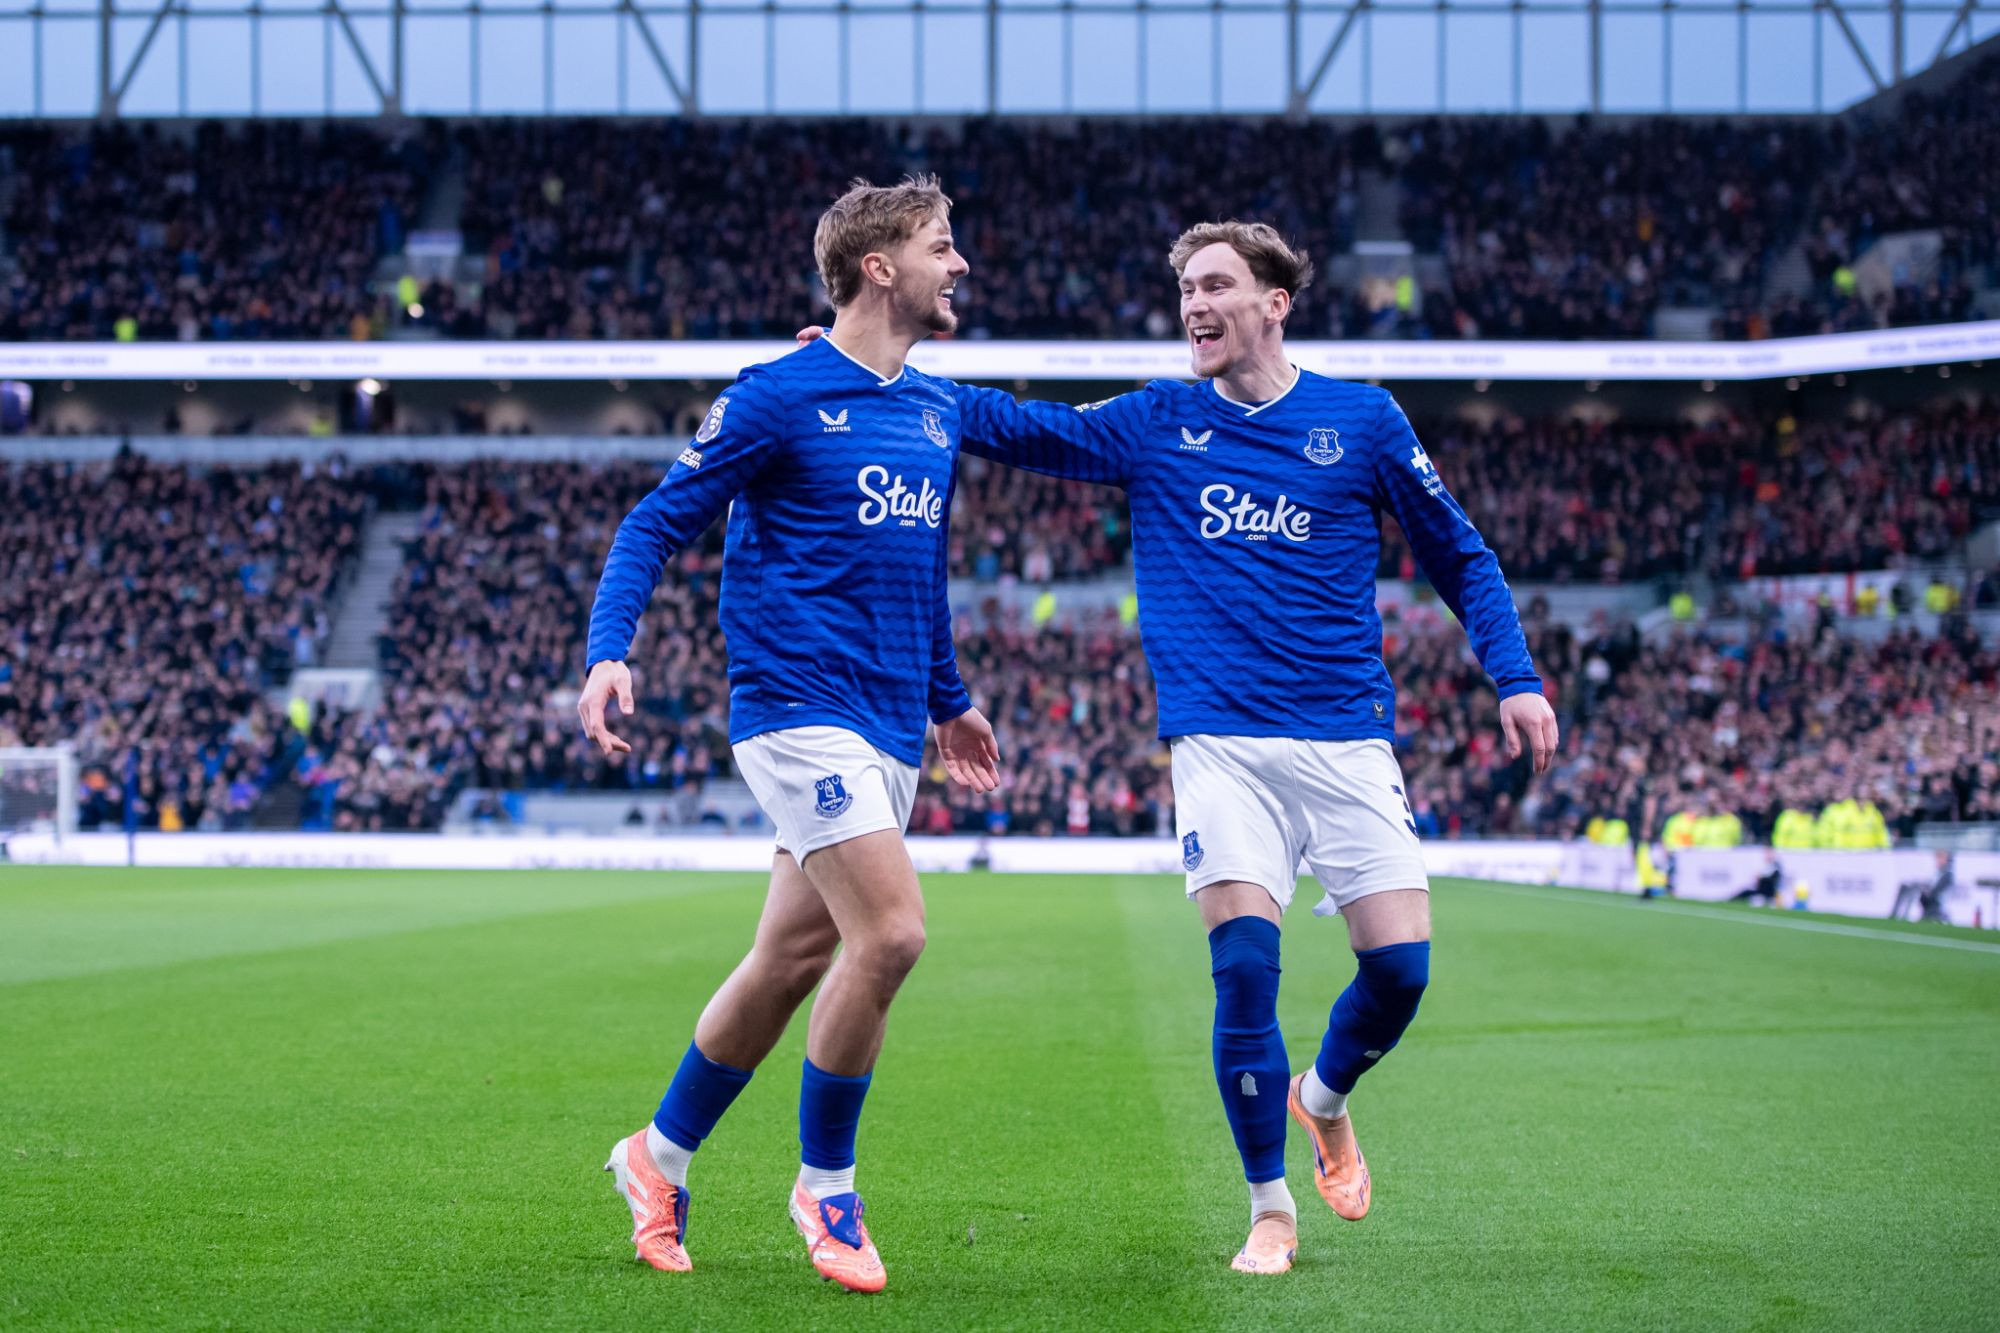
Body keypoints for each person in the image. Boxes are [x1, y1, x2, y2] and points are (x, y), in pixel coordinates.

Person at [805, 220, 1558, 1274]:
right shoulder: (1159, 421)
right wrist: (866, 362)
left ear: (1274, 303)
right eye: (1185, 290)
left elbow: (1462, 556)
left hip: (1346, 737)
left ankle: (1322, 1096)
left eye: (1214, 285)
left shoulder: (1364, 421)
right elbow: (1018, 427)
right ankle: (1268, 1209)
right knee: (1243, 971)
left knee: (1399, 972)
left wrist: (1514, 675)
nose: (1193, 305)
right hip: (1219, 745)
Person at [579, 175, 999, 1294]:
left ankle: (655, 1157)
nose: (960, 264)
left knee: (791, 958)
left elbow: (919, 574)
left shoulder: (932, 407)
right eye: (941, 245)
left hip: (887, 728)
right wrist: (609, 648)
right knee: (893, 935)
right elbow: (653, 522)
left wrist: (948, 697)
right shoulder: (775, 396)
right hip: (797, 713)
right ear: (879, 267)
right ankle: (826, 1186)